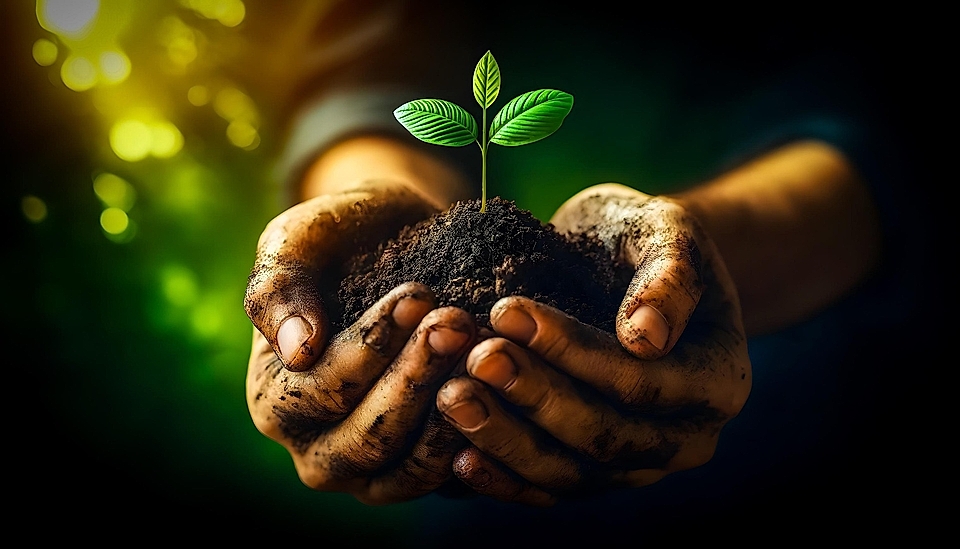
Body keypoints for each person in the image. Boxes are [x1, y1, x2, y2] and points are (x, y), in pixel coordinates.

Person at [241, 0, 927, 542]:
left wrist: (689, 261)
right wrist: (363, 209)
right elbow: (373, 62)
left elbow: (892, 115)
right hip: (477, 488)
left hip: (820, 404)